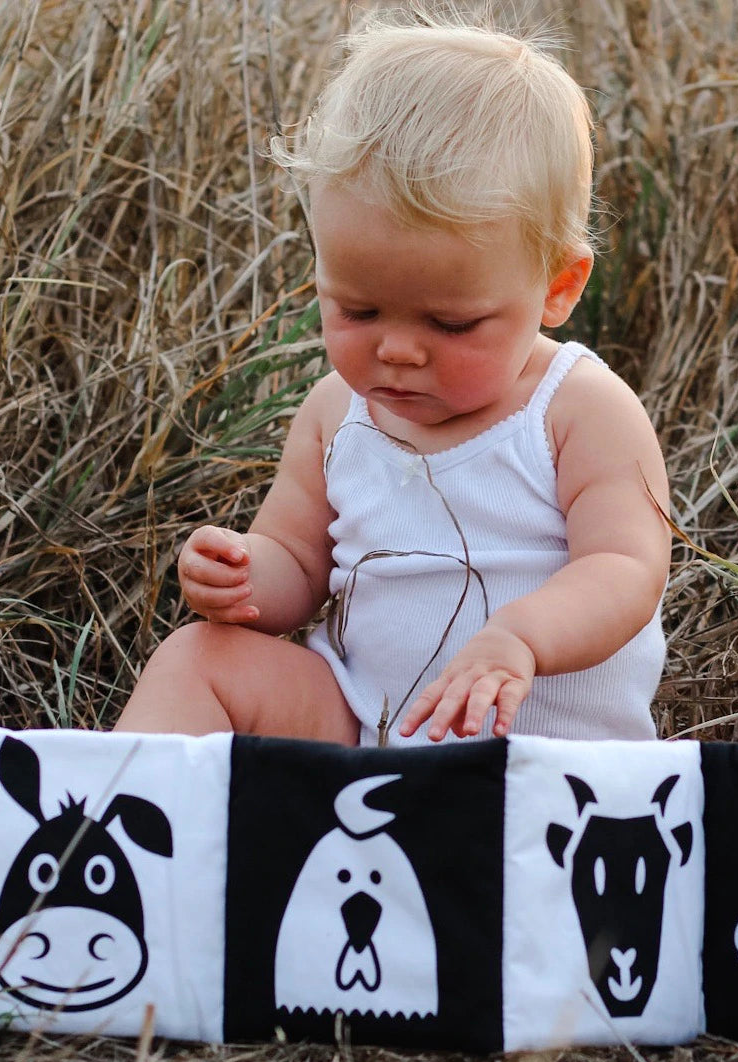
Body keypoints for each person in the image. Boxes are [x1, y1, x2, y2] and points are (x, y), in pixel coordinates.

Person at [114, 10, 671, 747]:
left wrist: (522, 637)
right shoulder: (334, 413)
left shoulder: (577, 408)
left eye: (451, 323)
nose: (398, 351)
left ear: (558, 287)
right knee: (198, 659)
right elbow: (298, 565)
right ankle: (126, 814)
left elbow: (627, 567)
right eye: (359, 309)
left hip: (540, 756)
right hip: (361, 731)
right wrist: (243, 575)